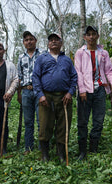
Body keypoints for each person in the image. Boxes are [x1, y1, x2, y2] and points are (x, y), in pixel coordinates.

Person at [32, 33, 77, 162]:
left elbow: (74, 77)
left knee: (63, 125)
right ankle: (45, 154)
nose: (54, 42)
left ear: (61, 43)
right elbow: (35, 77)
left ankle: (61, 153)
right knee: (45, 124)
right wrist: (40, 95)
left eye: (56, 40)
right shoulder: (42, 58)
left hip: (64, 97)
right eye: (51, 40)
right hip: (46, 97)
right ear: (48, 44)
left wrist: (70, 92)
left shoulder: (67, 60)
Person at [74, 26, 112, 160]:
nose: (91, 37)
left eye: (94, 34)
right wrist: (81, 90)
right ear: (84, 37)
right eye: (89, 34)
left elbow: (109, 70)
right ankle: (82, 151)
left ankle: (93, 148)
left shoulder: (103, 53)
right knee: (82, 121)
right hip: (85, 91)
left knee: (98, 121)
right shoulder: (80, 52)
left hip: (100, 90)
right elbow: (78, 72)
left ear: (98, 36)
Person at [17, 31, 46, 154]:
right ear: (24, 43)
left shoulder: (43, 55)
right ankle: (28, 147)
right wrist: (19, 93)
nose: (29, 41)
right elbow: (19, 76)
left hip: (39, 92)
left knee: (41, 120)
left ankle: (42, 147)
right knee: (28, 121)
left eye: (31, 39)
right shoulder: (21, 57)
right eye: (26, 40)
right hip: (26, 92)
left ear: (35, 40)